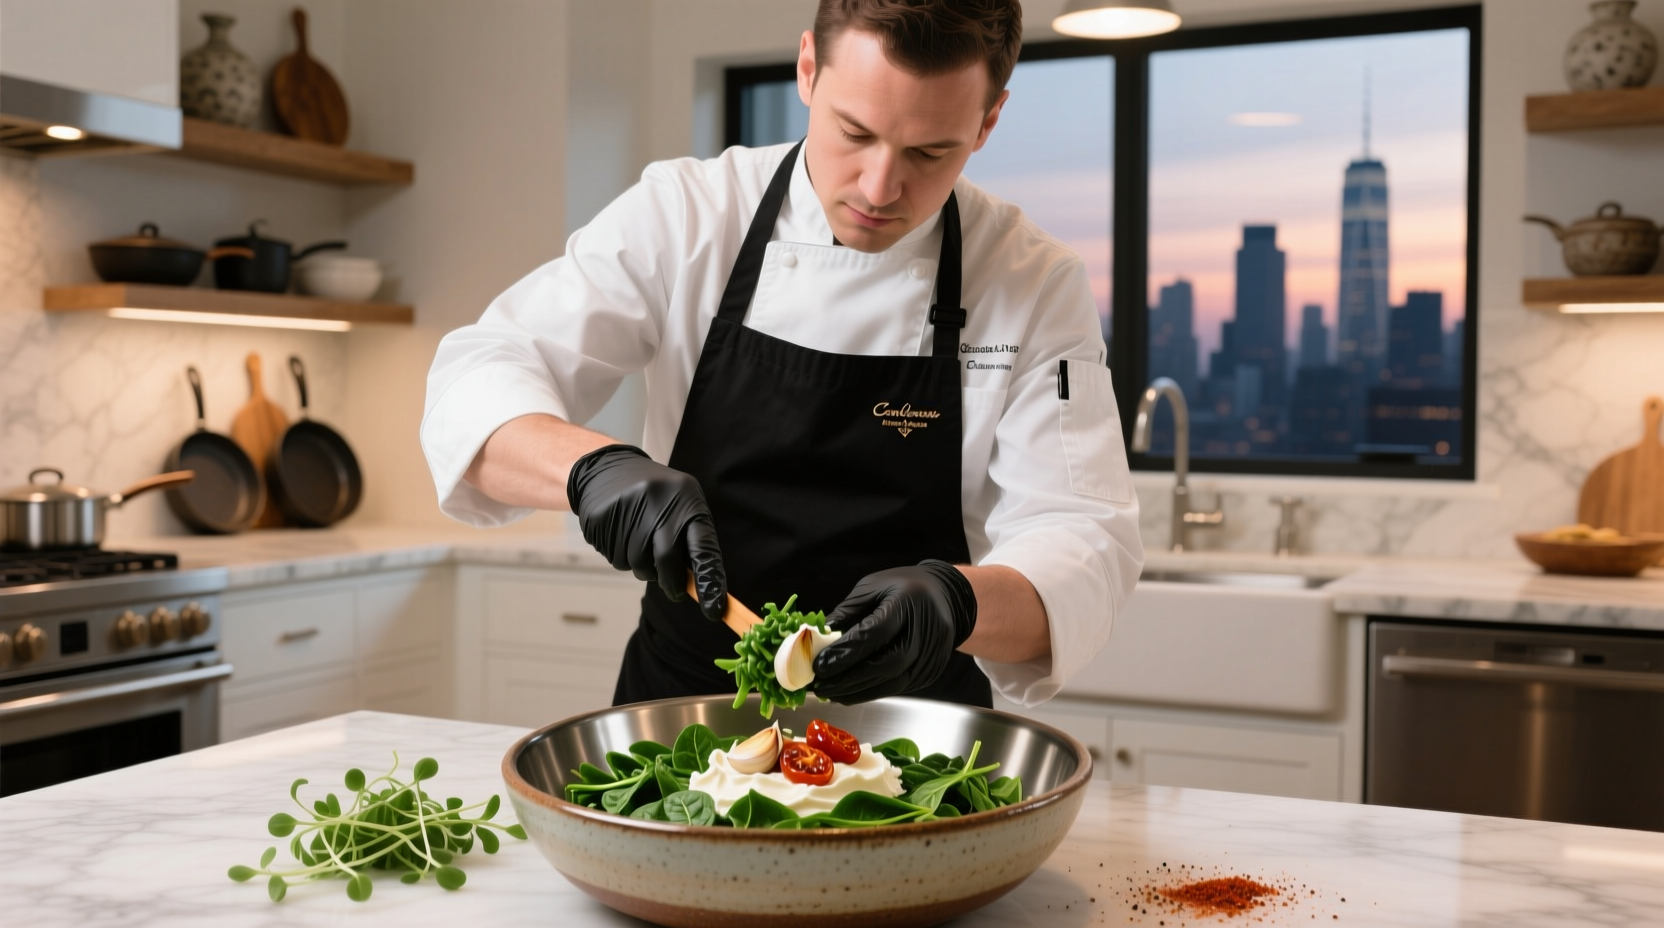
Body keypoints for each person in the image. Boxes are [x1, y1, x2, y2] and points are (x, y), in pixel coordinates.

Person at [422, 0, 1142, 711]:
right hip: (681, 720)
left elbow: (1085, 544)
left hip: (919, 745)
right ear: (807, 69)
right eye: (853, 132)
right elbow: (477, 379)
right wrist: (590, 472)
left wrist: (958, 605)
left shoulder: (1031, 281)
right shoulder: (689, 214)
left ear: (988, 121)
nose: (879, 187)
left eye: (929, 152)